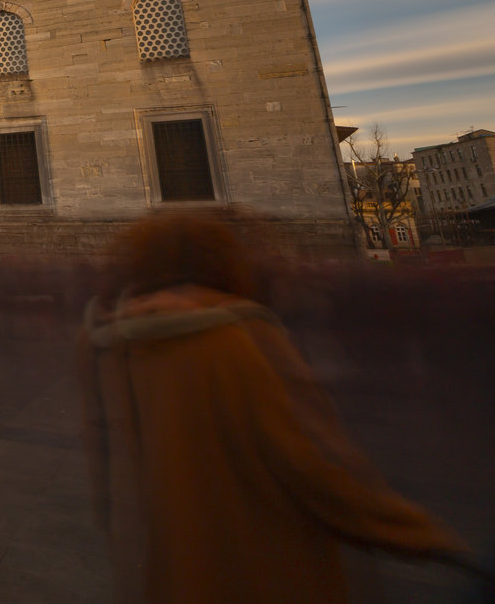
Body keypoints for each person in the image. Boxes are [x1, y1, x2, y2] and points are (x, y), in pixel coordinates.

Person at [78, 211, 473, 603]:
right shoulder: (235, 335)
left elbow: (106, 462)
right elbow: (308, 460)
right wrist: (419, 534)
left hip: (174, 563)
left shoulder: (109, 340)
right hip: (265, 566)